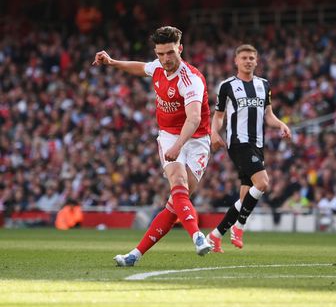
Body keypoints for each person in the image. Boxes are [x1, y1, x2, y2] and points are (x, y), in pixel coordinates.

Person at [92, 26, 213, 266]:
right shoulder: (158, 67)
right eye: (160, 54)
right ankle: (197, 236)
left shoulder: (190, 79)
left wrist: (179, 146)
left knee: (175, 204)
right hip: (168, 135)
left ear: (180, 49)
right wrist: (112, 62)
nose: (165, 59)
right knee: (178, 183)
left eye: (170, 53)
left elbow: (194, 118)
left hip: (196, 140)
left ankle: (134, 255)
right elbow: (141, 68)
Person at [207, 44, 291, 252]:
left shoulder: (264, 85)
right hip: (238, 142)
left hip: (257, 144)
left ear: (256, 61)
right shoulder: (227, 86)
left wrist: (281, 124)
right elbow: (219, 116)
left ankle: (215, 236)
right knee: (262, 183)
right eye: (244, 58)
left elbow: (268, 115)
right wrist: (214, 133)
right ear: (236, 61)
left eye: (251, 58)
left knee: (245, 198)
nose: (248, 61)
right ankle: (239, 227)